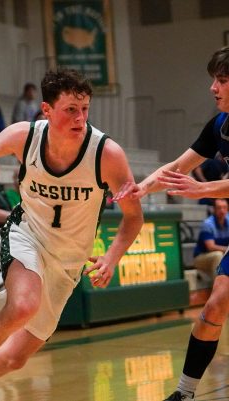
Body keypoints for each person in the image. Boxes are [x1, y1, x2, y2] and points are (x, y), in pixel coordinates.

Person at [0, 68, 143, 401]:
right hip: (27, 234)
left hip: (69, 261)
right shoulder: (25, 136)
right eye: (70, 109)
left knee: (13, 359)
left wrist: (112, 256)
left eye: (84, 109)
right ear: (47, 110)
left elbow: (133, 217)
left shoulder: (106, 154)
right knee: (23, 305)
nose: (80, 118)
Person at [114, 47, 229, 401]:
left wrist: (203, 189)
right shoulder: (220, 125)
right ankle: (185, 393)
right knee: (215, 305)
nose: (213, 87)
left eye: (222, 80)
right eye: (213, 79)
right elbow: (178, 167)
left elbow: (197, 184)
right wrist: (141, 188)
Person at [192, 198, 229, 280]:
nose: (222, 211)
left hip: (223, 254)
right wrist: (227, 249)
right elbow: (211, 247)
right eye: (219, 208)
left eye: (224, 207)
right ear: (214, 209)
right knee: (218, 255)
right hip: (201, 257)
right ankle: (218, 290)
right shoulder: (208, 224)